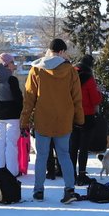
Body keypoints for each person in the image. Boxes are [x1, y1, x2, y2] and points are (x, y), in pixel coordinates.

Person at [20, 38, 84, 203]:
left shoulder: (37, 69)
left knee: (41, 156)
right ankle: (69, 189)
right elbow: (77, 98)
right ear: (62, 52)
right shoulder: (70, 71)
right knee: (64, 155)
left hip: (43, 119)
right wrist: (80, 119)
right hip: (64, 120)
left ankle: (38, 190)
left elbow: (29, 98)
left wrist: (24, 121)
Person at [69, 54, 102, 185]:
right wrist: (99, 93)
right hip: (87, 116)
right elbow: (96, 99)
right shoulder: (89, 78)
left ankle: (71, 174)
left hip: (71, 115)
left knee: (72, 146)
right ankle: (82, 175)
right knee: (83, 148)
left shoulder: (70, 76)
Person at [0, 52, 23, 176]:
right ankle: (12, 171)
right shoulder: (11, 79)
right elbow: (18, 98)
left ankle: (0, 168)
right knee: (11, 144)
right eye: (12, 63)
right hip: (12, 115)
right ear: (6, 64)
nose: (14, 65)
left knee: (0, 142)